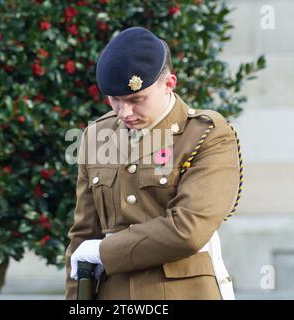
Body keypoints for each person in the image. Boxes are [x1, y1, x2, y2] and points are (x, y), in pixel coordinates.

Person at [65, 26, 241, 300]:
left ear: (169, 83)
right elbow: (84, 235)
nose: (125, 112)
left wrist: (103, 251)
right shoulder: (98, 136)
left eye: (136, 99)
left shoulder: (206, 133)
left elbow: (189, 229)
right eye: (115, 100)